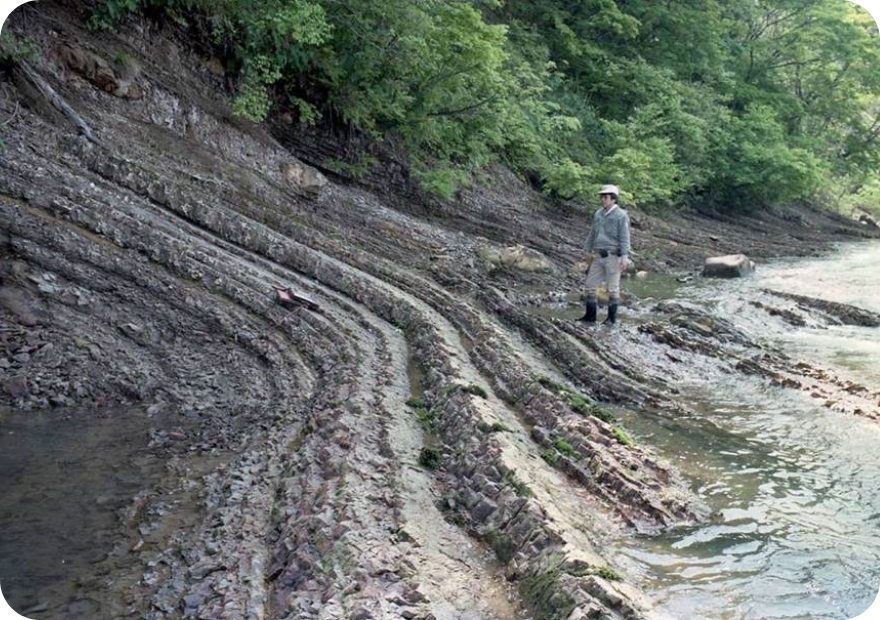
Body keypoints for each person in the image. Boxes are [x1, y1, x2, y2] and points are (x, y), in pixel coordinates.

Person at [577, 184, 631, 326]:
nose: (603, 200)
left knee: (612, 289)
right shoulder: (598, 213)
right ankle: (590, 316)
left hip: (613, 256)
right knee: (589, 286)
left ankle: (611, 320)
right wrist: (587, 250)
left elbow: (625, 237)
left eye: (606, 197)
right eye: (602, 197)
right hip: (598, 256)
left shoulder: (621, 215)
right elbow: (592, 233)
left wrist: (624, 256)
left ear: (613, 199)